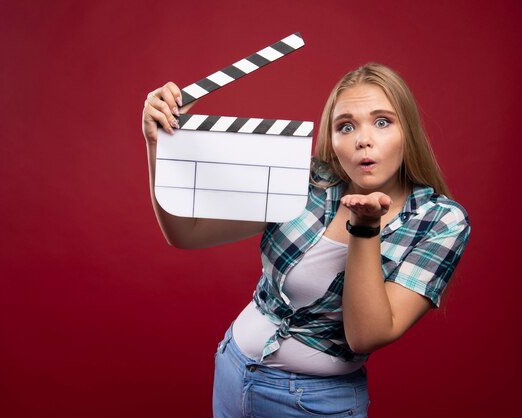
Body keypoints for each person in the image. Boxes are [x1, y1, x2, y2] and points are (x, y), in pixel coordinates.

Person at [142, 63, 470, 417]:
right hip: (232, 369)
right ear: (332, 139)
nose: (363, 139)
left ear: (408, 131)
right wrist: (159, 145)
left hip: (312, 404)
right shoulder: (307, 180)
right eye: (346, 126)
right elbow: (186, 233)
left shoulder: (439, 221)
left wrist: (364, 228)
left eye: (382, 122)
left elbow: (366, 334)